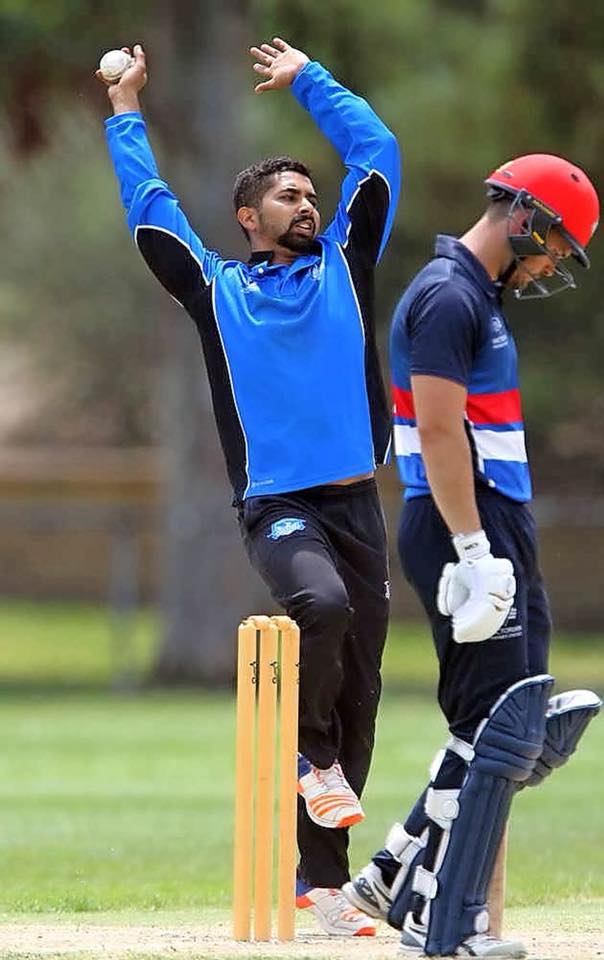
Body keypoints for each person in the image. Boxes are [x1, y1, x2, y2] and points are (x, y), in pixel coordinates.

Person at [97, 39, 400, 936]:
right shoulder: (216, 290)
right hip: (279, 506)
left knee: (360, 691)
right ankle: (311, 759)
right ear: (247, 217)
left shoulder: (347, 262)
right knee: (321, 606)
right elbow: (150, 211)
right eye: (288, 196)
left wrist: (310, 82)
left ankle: (322, 885)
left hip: (357, 502)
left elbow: (377, 152)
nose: (308, 204)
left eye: (312, 195)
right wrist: (125, 110)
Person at [342, 154, 601, 957]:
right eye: (554, 245)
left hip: (492, 520)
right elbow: (439, 428)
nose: (551, 264)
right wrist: (473, 548)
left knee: (508, 722)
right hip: (465, 520)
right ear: (523, 216)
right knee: (502, 727)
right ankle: (443, 919)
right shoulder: (449, 296)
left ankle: (394, 872)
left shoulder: (474, 297)